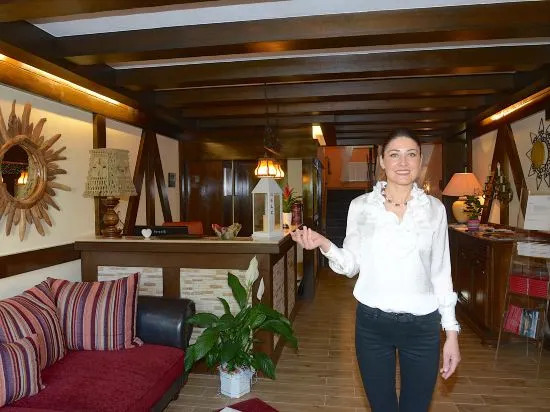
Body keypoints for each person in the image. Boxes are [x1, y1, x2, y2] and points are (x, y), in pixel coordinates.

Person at [290, 129, 460, 412]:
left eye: (411, 154)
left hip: (423, 328)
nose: (403, 162)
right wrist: (324, 244)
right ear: (382, 161)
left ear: (420, 160)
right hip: (373, 326)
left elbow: (442, 274)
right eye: (394, 155)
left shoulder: (435, 209)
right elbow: (351, 265)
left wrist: (451, 334)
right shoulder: (361, 207)